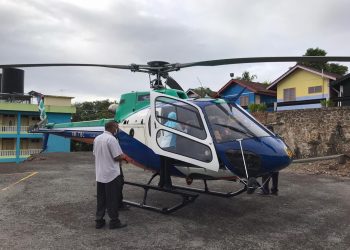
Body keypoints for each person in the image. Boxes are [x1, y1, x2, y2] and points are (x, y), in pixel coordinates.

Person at [93, 121, 127, 229]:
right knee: (112, 199)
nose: (117, 129)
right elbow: (116, 156)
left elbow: (95, 153)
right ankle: (114, 221)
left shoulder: (97, 139)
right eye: (116, 127)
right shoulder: (112, 139)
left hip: (100, 174)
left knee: (101, 198)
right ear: (112, 127)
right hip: (111, 174)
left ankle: (99, 221)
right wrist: (124, 157)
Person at [158, 112, 179, 189]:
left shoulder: (166, 124)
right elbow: (184, 132)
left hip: (162, 146)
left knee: (163, 167)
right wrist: (188, 127)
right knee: (167, 167)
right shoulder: (176, 124)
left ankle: (161, 183)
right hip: (169, 147)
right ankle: (168, 185)